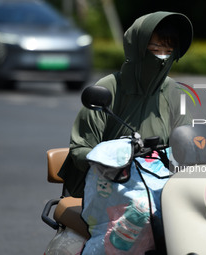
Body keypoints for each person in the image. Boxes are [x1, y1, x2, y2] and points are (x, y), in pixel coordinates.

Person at [58, 11, 194, 198]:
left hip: (158, 187)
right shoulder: (109, 88)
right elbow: (81, 149)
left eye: (169, 51)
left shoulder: (174, 92)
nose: (162, 57)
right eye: (155, 49)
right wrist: (110, 160)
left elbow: (186, 141)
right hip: (105, 188)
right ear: (137, 49)